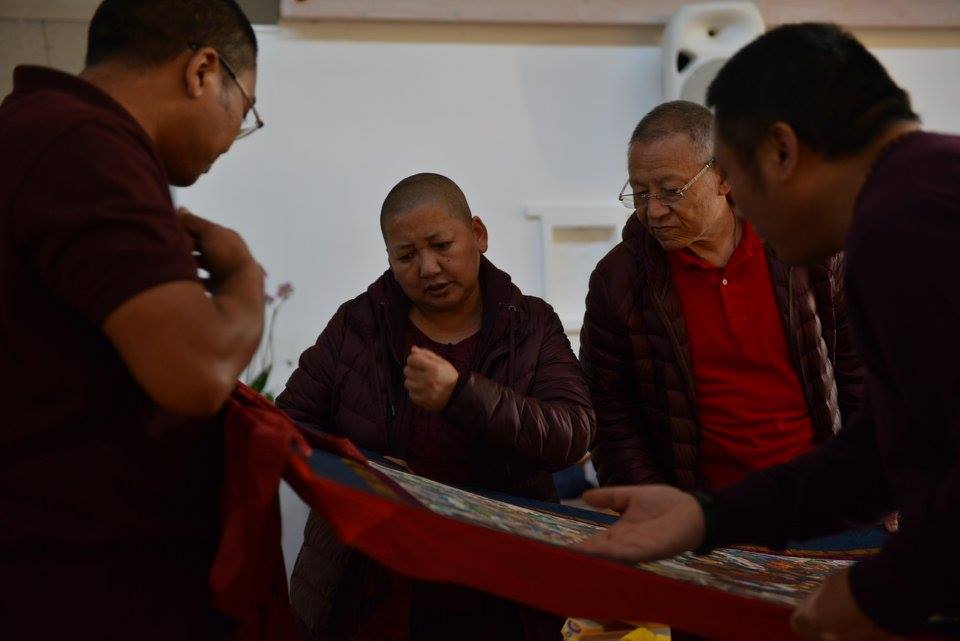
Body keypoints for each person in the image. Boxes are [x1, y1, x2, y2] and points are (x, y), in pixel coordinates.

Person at [579, 23, 960, 641]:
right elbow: (885, 447)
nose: (745, 211)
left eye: (738, 176)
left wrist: (880, 590)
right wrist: (706, 518)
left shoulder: (901, 228)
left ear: (781, 152)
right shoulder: (925, 189)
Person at [0, 1, 265, 639]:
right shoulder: (84, 146)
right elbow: (198, 372)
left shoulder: (48, 131)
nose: (234, 137)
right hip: (81, 586)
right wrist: (243, 276)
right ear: (203, 71)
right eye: (246, 110)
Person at [278, 172, 596, 640]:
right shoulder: (358, 326)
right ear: (389, 258)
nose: (428, 268)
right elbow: (289, 425)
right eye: (406, 256)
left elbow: (572, 432)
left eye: (442, 246)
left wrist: (463, 396)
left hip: (501, 587)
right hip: (373, 584)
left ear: (478, 234)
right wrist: (369, 472)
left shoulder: (529, 324)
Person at [581, 100, 862, 492]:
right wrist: (656, 505)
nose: (653, 211)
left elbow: (863, 375)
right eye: (640, 193)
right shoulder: (620, 279)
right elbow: (610, 416)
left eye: (671, 191)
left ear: (724, 177)